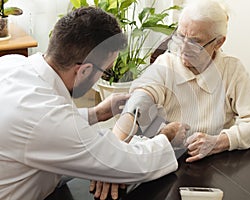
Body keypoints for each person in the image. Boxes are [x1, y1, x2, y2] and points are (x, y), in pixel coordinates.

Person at [0, 7, 189, 200]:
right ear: (85, 70)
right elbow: (129, 163)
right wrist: (167, 136)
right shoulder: (46, 120)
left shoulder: (11, 63)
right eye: (105, 71)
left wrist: (96, 113)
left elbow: (45, 129)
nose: (103, 76)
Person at [91, 0, 250, 198]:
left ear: (219, 42)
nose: (183, 48)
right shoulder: (166, 64)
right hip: (166, 168)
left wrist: (219, 141)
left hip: (214, 171)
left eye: (194, 41)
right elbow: (137, 103)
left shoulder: (232, 69)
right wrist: (111, 158)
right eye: (180, 36)